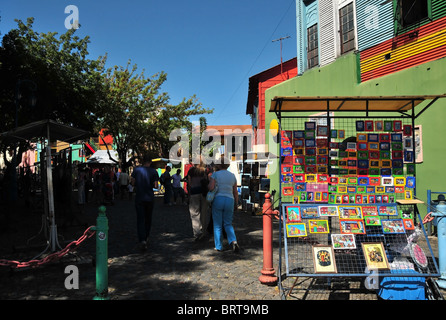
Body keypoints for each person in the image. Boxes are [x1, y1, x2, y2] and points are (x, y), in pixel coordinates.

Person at [208, 157, 240, 252]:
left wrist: (209, 185)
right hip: (229, 200)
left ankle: (218, 246)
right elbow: (235, 192)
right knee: (228, 223)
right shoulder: (232, 176)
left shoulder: (215, 175)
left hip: (218, 199)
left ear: (218, 165)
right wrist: (236, 203)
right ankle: (233, 241)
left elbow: (211, 187)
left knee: (217, 224)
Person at [130, 154, 159, 250]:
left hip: (139, 197)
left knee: (140, 219)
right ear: (150, 162)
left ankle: (142, 239)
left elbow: (133, 183)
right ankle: (146, 237)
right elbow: (155, 186)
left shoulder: (136, 170)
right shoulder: (154, 171)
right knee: (148, 219)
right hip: (149, 197)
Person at [187, 164, 209, 241]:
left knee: (194, 213)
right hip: (204, 193)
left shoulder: (191, 171)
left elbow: (189, 183)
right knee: (203, 213)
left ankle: (197, 233)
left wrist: (189, 194)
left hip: (194, 192)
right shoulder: (204, 170)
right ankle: (203, 232)